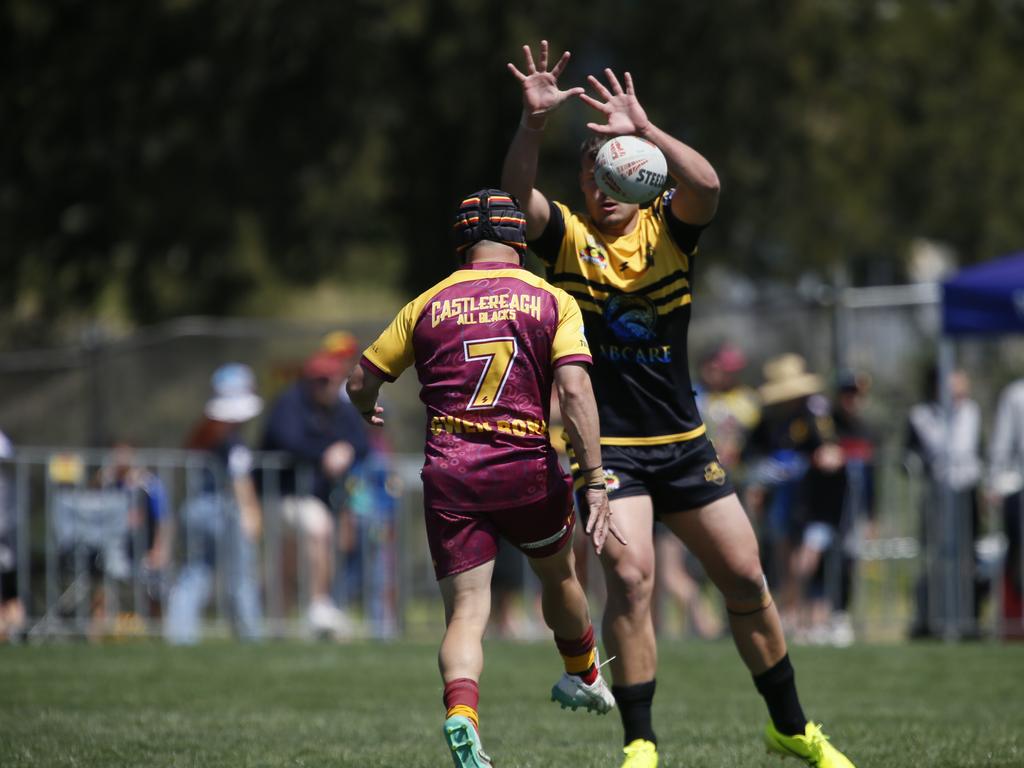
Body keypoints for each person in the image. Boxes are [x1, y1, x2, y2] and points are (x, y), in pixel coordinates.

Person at [501, 40, 856, 768]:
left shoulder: (670, 229)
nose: (601, 189)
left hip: (685, 440)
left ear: (634, 181)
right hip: (612, 453)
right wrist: (534, 125)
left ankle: (790, 726)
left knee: (747, 578)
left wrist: (648, 132)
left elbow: (711, 186)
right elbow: (512, 206)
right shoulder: (566, 241)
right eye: (592, 174)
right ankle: (641, 743)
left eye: (614, 175)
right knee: (631, 580)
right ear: (581, 179)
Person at [347, 188, 625, 768]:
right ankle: (583, 672)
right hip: (526, 465)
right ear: (520, 243)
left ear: (461, 244)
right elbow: (574, 391)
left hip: (451, 472)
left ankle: (461, 713)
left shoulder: (427, 302)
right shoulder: (551, 300)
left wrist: (364, 406)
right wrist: (594, 476)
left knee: (467, 611)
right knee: (559, 575)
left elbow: (360, 379)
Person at [261, 346, 370, 637]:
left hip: (316, 497)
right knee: (305, 541)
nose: (325, 385)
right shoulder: (289, 403)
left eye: (331, 379)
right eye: (319, 380)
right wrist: (325, 452)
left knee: (299, 551)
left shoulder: (341, 408)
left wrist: (346, 449)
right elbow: (286, 440)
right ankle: (303, 612)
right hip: (283, 495)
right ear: (308, 380)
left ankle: (300, 615)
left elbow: (362, 442)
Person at [164, 363, 264, 644]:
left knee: (195, 573)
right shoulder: (233, 444)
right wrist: (251, 515)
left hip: (194, 509)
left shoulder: (202, 435)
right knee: (241, 578)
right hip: (226, 513)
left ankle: (180, 635)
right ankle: (250, 636)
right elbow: (240, 480)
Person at [905, 366, 984, 639]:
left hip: (966, 493)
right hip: (937, 495)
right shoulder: (921, 416)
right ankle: (934, 618)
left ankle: (967, 618)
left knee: (967, 558)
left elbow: (978, 449)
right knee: (937, 558)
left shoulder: (971, 412)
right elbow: (911, 455)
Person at [988, 376, 1024, 638]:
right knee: (1018, 554)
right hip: (1019, 488)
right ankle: (1014, 619)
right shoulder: (1016, 394)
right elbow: (1003, 441)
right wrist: (994, 480)